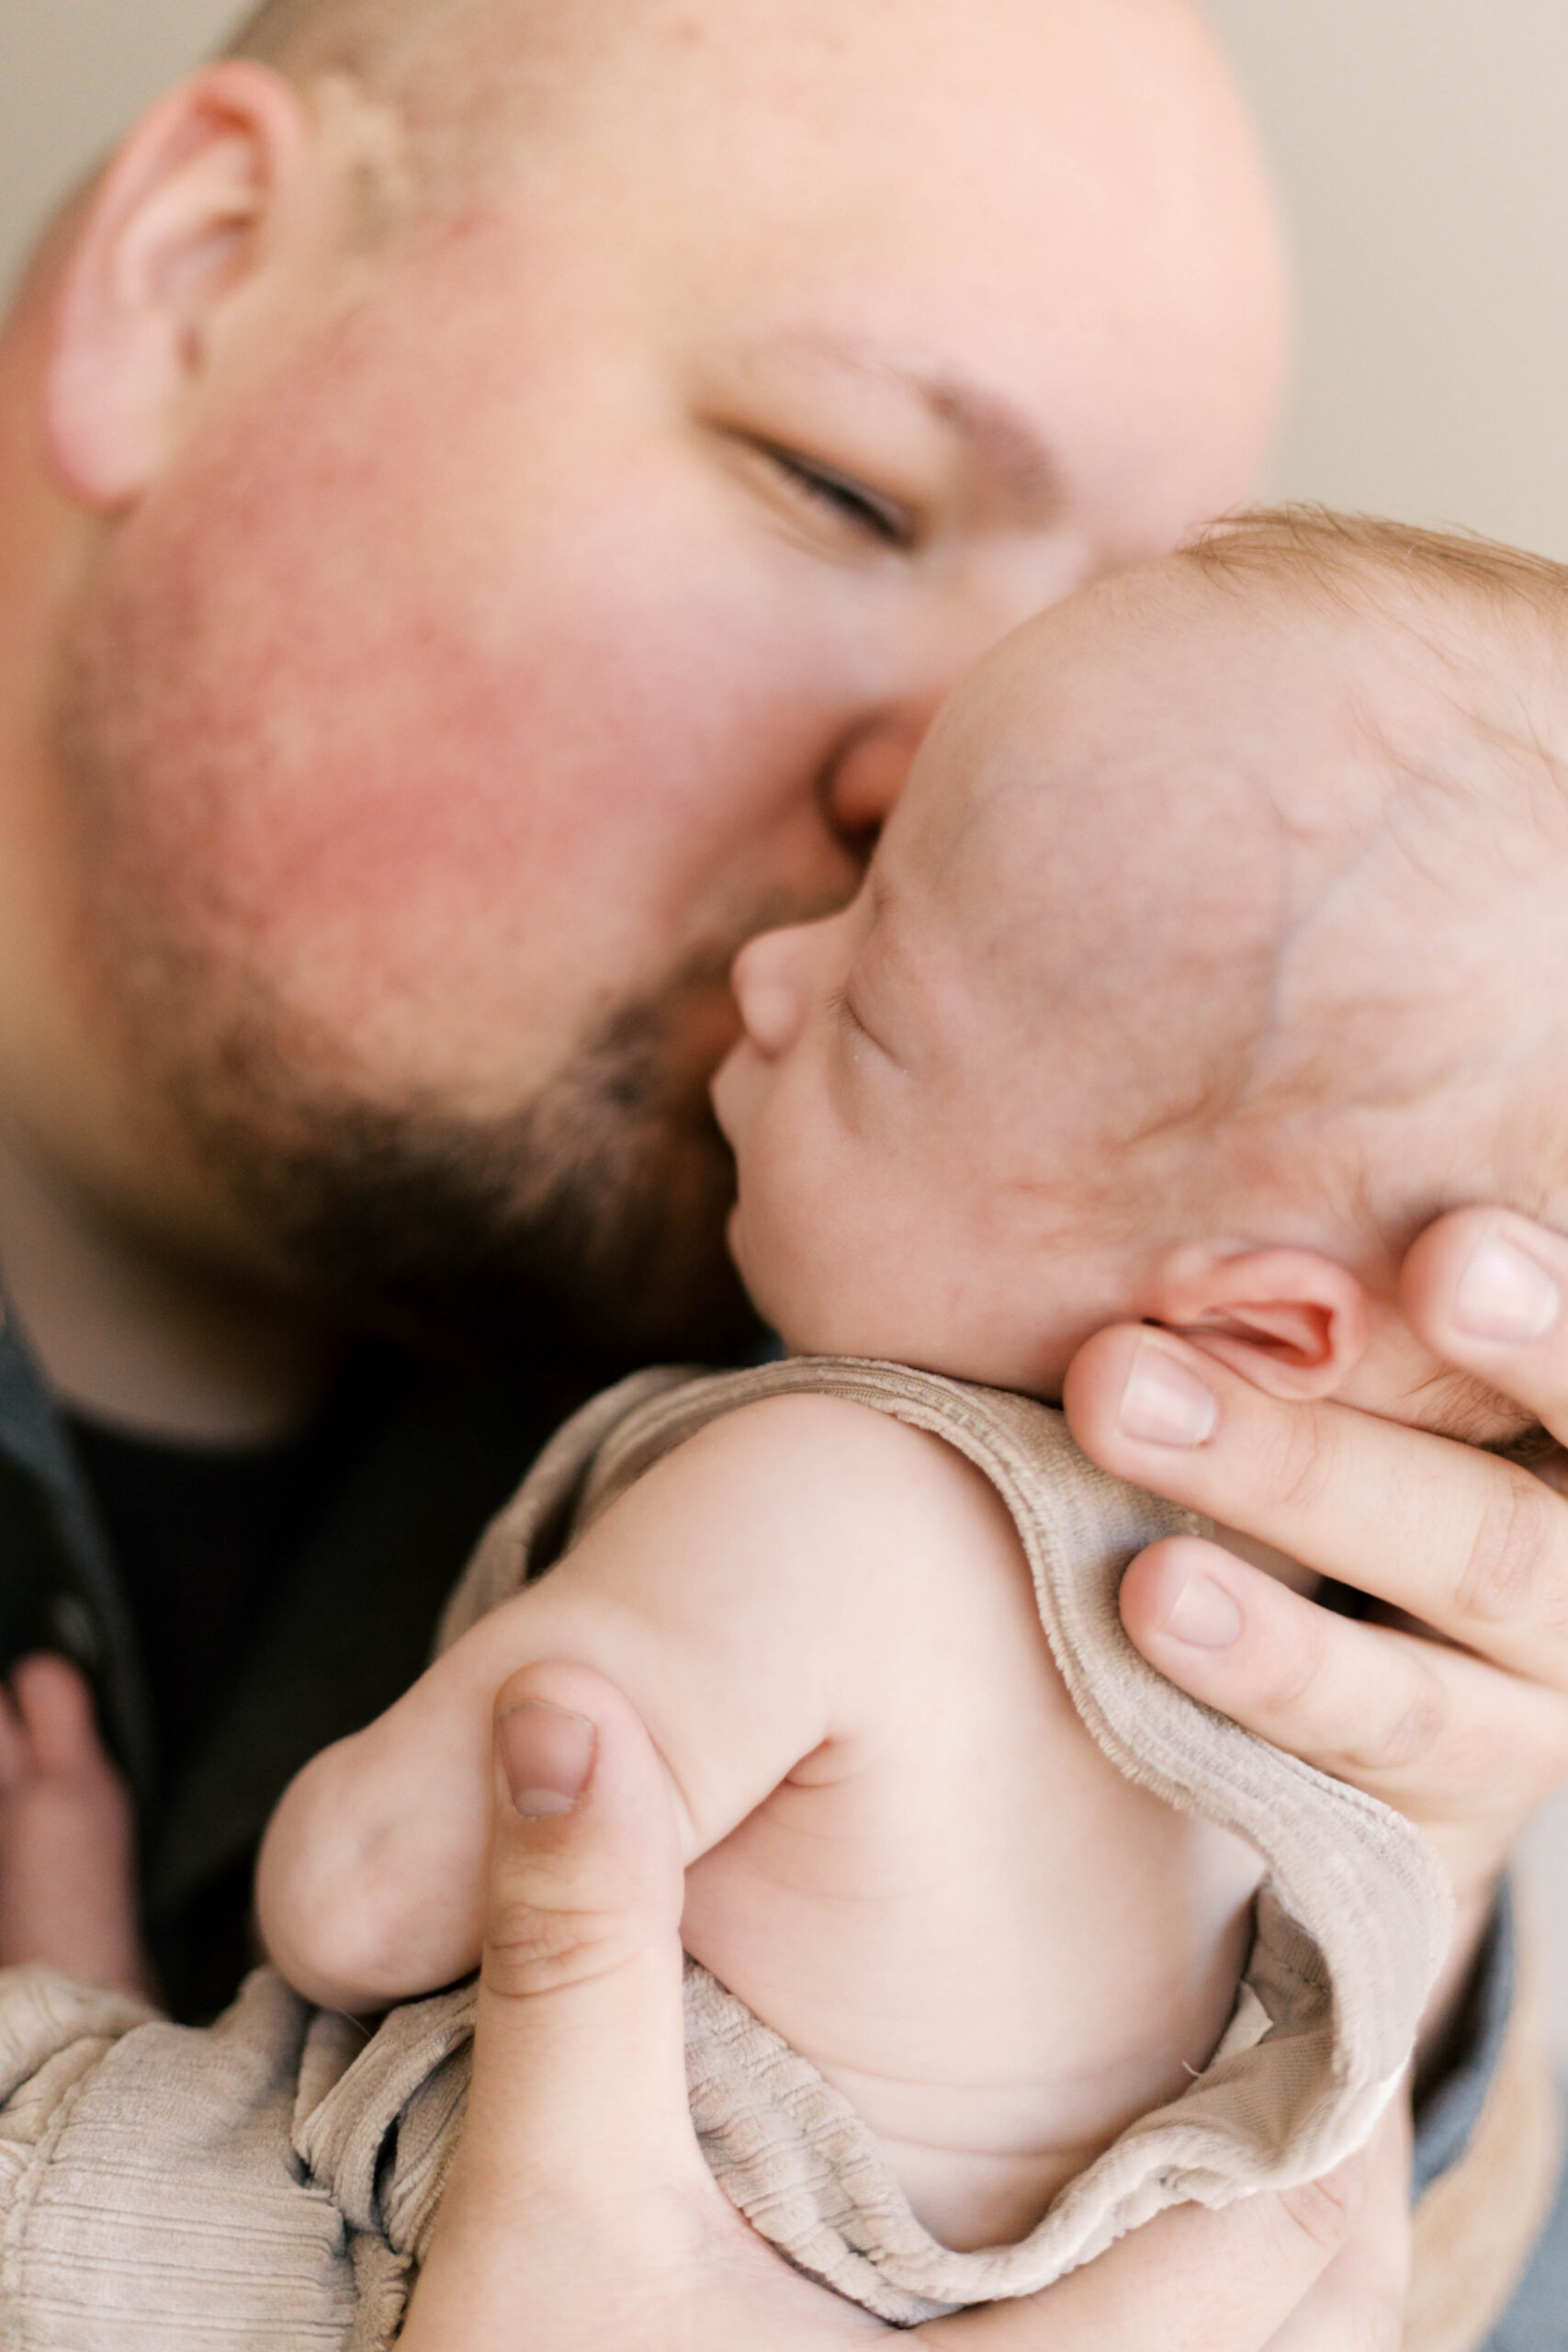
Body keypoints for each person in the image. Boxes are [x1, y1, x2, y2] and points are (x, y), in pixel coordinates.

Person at [0, 0, 1561, 2341]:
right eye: (845, 485)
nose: (957, 781)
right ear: (197, 276)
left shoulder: (1125, 1489)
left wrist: (1364, 1999)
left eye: (1090, 672)